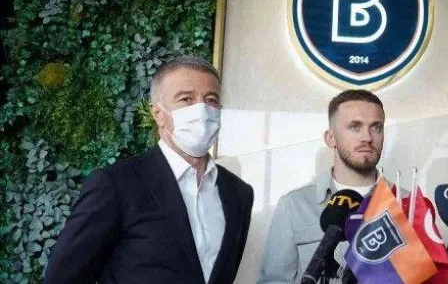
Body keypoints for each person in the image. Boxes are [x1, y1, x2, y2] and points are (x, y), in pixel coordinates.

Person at [45, 55, 254, 284]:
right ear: (158, 114)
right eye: (185, 99)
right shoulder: (116, 184)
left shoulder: (238, 194)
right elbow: (62, 277)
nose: (201, 109)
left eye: (211, 100)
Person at [258, 89, 397, 283]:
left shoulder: (407, 203)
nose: (367, 137)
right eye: (355, 127)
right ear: (330, 138)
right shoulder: (293, 206)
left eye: (376, 127)